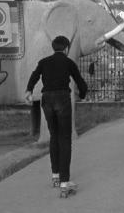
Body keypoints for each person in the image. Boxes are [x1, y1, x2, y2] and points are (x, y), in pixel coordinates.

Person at [25, 36, 88, 194]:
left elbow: (34, 76)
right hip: (62, 99)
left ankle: (55, 176)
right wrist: (83, 94)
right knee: (65, 138)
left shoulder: (44, 62)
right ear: (66, 48)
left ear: (54, 48)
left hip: (46, 100)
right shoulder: (68, 62)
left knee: (54, 136)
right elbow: (80, 81)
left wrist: (29, 90)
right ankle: (65, 183)